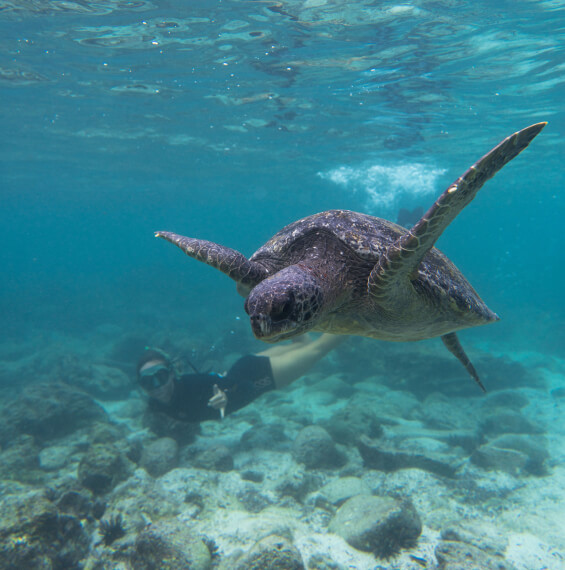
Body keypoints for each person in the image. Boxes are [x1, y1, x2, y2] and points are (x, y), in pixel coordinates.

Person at [137, 333, 344, 423]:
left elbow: (244, 387)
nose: (157, 387)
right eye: (148, 381)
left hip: (262, 376)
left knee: (321, 347)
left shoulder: (189, 386)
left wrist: (227, 398)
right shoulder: (157, 405)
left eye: (161, 376)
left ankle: (358, 307)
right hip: (246, 365)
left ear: (172, 374)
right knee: (303, 343)